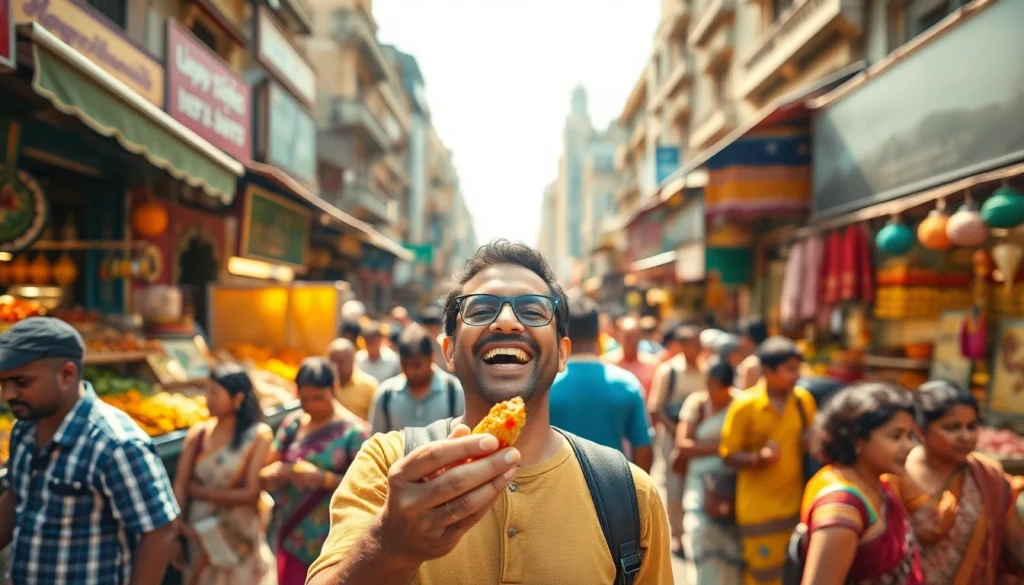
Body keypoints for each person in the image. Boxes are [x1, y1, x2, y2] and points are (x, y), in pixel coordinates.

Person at [306, 239, 672, 584]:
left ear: (563, 353)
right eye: (481, 310)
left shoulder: (632, 496)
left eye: (532, 311)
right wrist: (389, 545)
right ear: (449, 352)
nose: (507, 321)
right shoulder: (386, 466)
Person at [0, 317, 180, 585]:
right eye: (2, 383)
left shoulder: (115, 444)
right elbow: (16, 496)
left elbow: (159, 531)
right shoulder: (24, 431)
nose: (8, 394)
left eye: (22, 382)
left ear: (67, 375)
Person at [887, 381, 1024, 584]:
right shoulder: (894, 473)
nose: (965, 436)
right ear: (921, 430)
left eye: (972, 426)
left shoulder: (988, 476)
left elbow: (1017, 542)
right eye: (952, 428)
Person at [262, 358, 371, 585]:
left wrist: (323, 479)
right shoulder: (292, 425)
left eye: (318, 398)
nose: (311, 405)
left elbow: (368, 488)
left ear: (334, 388)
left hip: (333, 541)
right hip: (291, 533)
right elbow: (266, 469)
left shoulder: (355, 433)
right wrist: (276, 473)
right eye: (304, 399)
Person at [799, 383, 921, 585]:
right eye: (896, 436)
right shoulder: (841, 507)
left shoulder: (879, 483)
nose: (910, 446)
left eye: (910, 435)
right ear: (857, 440)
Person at [720, 336, 815, 585]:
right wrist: (758, 458)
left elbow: (809, 440)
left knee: (791, 574)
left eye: (798, 368)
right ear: (768, 371)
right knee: (760, 576)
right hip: (758, 511)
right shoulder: (745, 405)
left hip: (795, 507)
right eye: (790, 369)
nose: (797, 375)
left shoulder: (803, 400)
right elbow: (727, 455)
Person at [173, 363, 275, 585]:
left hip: (236, 533)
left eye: (214, 392)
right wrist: (176, 533)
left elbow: (251, 494)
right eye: (206, 391)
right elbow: (180, 484)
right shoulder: (198, 434)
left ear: (237, 398)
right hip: (197, 532)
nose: (207, 399)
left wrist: (202, 493)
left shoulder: (258, 436)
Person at [549, 296, 653, 471]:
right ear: (599, 336)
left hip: (557, 484)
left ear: (563, 337)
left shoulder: (546, 387)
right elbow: (643, 449)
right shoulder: (627, 385)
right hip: (614, 482)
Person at [676, 356, 743, 585]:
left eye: (719, 387)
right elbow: (683, 444)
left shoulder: (741, 404)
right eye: (711, 385)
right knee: (700, 533)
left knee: (731, 548)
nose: (714, 391)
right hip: (699, 485)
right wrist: (722, 449)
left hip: (733, 485)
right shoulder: (696, 404)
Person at [648, 324, 706, 555]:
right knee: (675, 484)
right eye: (692, 343)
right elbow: (655, 408)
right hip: (673, 438)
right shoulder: (668, 371)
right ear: (681, 346)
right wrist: (677, 430)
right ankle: (677, 535)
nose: (697, 347)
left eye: (698, 342)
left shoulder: (706, 369)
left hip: (700, 439)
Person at [367, 324, 465, 434]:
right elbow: (375, 439)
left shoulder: (454, 392)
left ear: (432, 358)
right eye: (405, 365)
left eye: (417, 365)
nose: (410, 371)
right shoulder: (386, 394)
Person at [604, 316, 660, 399]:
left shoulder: (652, 364)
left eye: (635, 336)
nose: (632, 341)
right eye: (628, 336)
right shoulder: (606, 363)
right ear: (619, 337)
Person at [326, 338, 379, 421]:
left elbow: (375, 421)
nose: (336, 367)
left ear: (353, 360)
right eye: (332, 361)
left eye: (341, 361)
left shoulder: (369, 386)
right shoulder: (324, 386)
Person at [735, 317, 768, 390]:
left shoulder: (751, 364)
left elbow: (746, 393)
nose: (740, 341)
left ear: (750, 338)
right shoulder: (764, 357)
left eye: (742, 336)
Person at [418, 304, 448, 371]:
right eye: (429, 329)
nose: (432, 332)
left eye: (435, 329)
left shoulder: (444, 343)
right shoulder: (417, 344)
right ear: (422, 327)